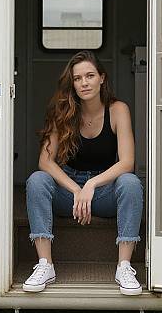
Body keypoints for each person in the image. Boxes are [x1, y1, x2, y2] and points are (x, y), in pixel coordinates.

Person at [22, 50, 143, 295]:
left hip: (104, 193)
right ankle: (46, 265)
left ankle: (124, 266)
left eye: (89, 76)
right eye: (78, 79)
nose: (84, 83)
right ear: (73, 83)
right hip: (70, 193)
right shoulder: (63, 111)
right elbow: (45, 161)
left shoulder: (118, 110)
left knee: (130, 182)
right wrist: (76, 188)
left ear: (102, 78)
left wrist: (91, 185)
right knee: (37, 180)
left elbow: (127, 162)